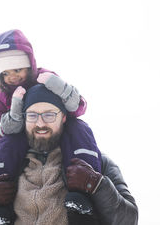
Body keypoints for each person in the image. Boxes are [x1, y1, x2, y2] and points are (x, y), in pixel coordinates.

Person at [0, 29, 102, 223]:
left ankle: (83, 185)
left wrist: (60, 89)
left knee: (78, 127)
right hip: (22, 135)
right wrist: (13, 120)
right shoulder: (0, 94)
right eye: (5, 73)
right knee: (8, 143)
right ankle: (1, 203)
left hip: (57, 133)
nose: (12, 77)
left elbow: (77, 108)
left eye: (17, 70)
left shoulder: (45, 78)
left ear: (29, 66)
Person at [13, 84, 139, 225]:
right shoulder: (12, 166)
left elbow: (129, 219)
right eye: (32, 115)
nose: (40, 123)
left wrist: (96, 184)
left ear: (64, 117)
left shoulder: (98, 162)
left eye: (49, 115)